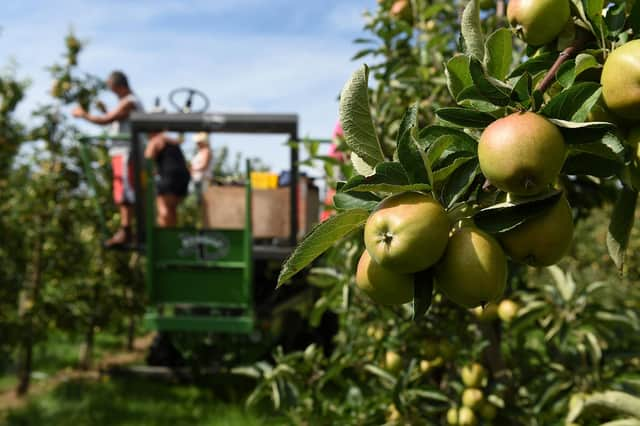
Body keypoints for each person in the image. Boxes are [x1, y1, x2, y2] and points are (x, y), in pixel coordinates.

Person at [72, 70, 144, 247]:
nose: (112, 92)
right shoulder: (126, 103)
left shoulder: (130, 102)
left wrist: (84, 115)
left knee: (126, 191)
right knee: (122, 190)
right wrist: (106, 111)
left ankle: (127, 232)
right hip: (122, 152)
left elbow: (106, 120)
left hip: (127, 151)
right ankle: (128, 230)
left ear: (119, 86)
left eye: (112, 88)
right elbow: (115, 120)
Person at [145, 132, 191, 227]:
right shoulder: (170, 141)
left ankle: (163, 239)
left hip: (169, 178)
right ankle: (172, 238)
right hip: (183, 179)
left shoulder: (155, 140)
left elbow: (147, 162)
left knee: (164, 211)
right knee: (172, 211)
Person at [190, 132, 213, 202]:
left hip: (202, 179)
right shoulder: (201, 152)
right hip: (197, 179)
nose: (197, 144)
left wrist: (192, 169)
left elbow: (204, 165)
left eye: (198, 142)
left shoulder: (206, 151)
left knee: (200, 200)